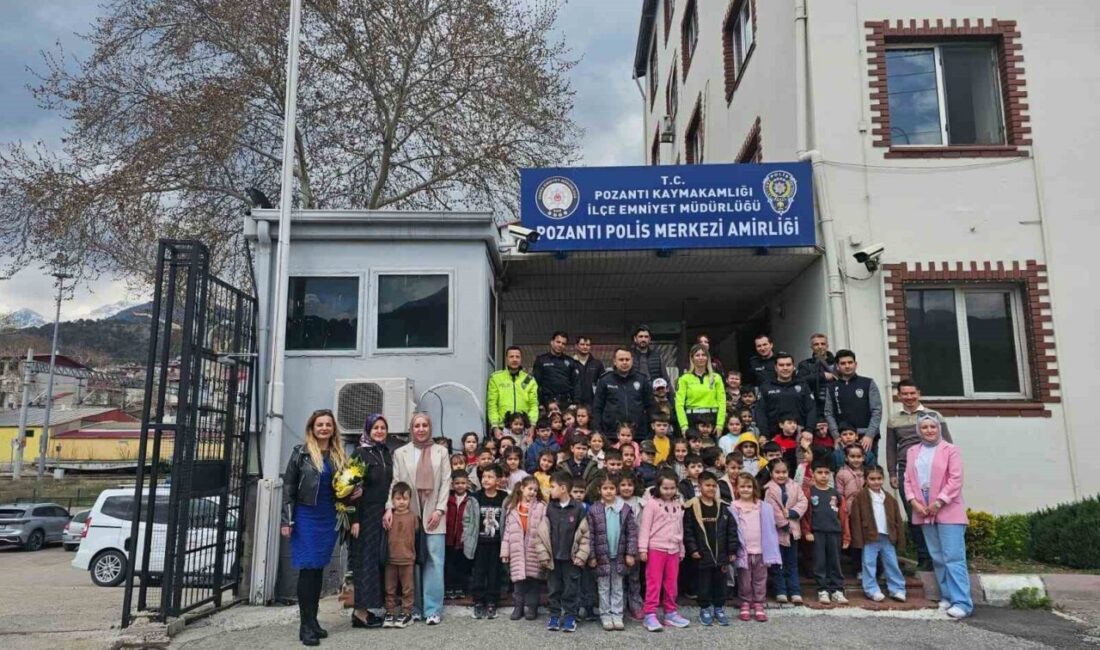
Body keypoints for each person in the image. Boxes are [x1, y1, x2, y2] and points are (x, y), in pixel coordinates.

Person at [281, 409, 348, 646]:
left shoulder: (338, 454)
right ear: (312, 427)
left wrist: (353, 492)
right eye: (320, 424)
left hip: (328, 517)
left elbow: (343, 487)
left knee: (318, 569)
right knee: (308, 570)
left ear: (333, 429)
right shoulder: (301, 453)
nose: (324, 428)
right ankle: (305, 626)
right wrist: (287, 520)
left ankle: (314, 620)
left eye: (328, 424)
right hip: (306, 516)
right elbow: (288, 486)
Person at [384, 413, 451, 625]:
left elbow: (446, 482)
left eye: (424, 425)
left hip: (434, 513)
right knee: (410, 560)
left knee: (434, 559)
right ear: (411, 429)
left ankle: (432, 609)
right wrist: (389, 508)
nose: (421, 429)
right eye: (416, 426)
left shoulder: (441, 451)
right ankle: (413, 607)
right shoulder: (401, 453)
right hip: (408, 514)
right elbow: (396, 483)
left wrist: (439, 510)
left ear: (430, 428)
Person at [905, 415, 972, 618]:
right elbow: (907, 479)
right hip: (923, 508)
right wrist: (914, 502)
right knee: (938, 557)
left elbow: (955, 479)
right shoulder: (912, 451)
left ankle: (963, 602)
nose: (929, 430)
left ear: (939, 428)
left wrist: (939, 501)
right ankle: (947, 596)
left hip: (947, 507)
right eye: (924, 427)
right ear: (918, 430)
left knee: (953, 557)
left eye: (932, 426)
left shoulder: (950, 450)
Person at [886, 379, 953, 570]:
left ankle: (942, 555)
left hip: (932, 471)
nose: (909, 397)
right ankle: (924, 557)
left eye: (912, 393)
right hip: (905, 471)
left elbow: (948, 444)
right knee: (915, 515)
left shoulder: (934, 416)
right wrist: (892, 472)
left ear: (919, 394)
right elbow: (891, 449)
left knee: (936, 511)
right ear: (899, 396)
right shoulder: (894, 419)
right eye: (904, 394)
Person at [348, 413, 393, 630]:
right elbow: (351, 490)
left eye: (383, 428)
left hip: (381, 514)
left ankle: (368, 609)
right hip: (364, 515)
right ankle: (360, 613)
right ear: (368, 430)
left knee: (376, 561)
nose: (379, 431)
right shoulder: (359, 454)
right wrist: (354, 519)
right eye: (375, 428)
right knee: (363, 562)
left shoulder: (386, 453)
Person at [682, 471, 739, 627]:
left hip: (721, 554)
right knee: (704, 583)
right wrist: (692, 549)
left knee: (720, 583)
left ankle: (719, 608)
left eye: (714, 486)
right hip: (702, 554)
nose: (711, 488)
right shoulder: (692, 507)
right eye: (707, 485)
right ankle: (705, 608)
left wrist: (732, 550)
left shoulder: (723, 507)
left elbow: (731, 530)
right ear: (699, 486)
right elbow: (688, 531)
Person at [539, 472, 591, 633]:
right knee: (554, 588)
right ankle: (554, 615)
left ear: (563, 488)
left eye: (552, 487)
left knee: (571, 588)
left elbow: (585, 535)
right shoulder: (550, 508)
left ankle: (570, 616)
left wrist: (582, 556)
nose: (550, 491)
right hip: (553, 558)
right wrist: (543, 554)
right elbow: (541, 532)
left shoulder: (578, 509)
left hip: (571, 559)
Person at [586, 474, 639, 631]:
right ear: (599, 490)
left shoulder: (624, 509)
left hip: (620, 556)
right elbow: (590, 534)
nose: (608, 492)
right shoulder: (594, 510)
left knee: (617, 586)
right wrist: (592, 556)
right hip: (602, 556)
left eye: (612, 488)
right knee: (603, 587)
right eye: (605, 488)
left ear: (616, 490)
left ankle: (617, 614)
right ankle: (605, 614)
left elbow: (632, 533)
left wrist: (630, 553)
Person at [638, 471, 690, 632]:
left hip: (673, 549)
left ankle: (670, 612)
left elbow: (679, 527)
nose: (669, 491)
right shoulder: (652, 504)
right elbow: (645, 528)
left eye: (672, 488)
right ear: (658, 487)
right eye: (665, 488)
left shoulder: (678, 504)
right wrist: (642, 548)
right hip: (656, 548)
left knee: (671, 583)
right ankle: (650, 614)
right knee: (654, 582)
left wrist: (681, 548)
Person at [849, 465, 907, 603]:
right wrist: (858, 539)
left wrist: (899, 537)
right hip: (870, 537)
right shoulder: (860, 497)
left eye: (879, 478)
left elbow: (897, 519)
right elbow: (856, 520)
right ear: (866, 479)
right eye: (872, 479)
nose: (876, 482)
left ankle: (897, 589)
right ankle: (871, 590)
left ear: (883, 479)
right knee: (869, 564)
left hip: (887, 537)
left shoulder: (889, 498)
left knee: (892, 563)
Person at [730, 472, 782, 622]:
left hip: (760, 549)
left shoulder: (762, 506)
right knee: (745, 579)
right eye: (742, 486)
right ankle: (745, 602)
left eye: (749, 486)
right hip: (744, 551)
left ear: (754, 488)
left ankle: (759, 602)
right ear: (737, 489)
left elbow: (770, 528)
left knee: (760, 578)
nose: (746, 489)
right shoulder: (734, 506)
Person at [802, 457, 850, 605]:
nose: (823, 475)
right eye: (819, 472)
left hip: (834, 533)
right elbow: (805, 514)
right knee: (820, 562)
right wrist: (807, 532)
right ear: (812, 473)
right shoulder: (809, 493)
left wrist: (846, 537)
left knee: (835, 562)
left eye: (826, 473)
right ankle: (822, 589)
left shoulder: (835, 494)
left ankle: (837, 590)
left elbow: (843, 516)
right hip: (818, 533)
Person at [501, 476, 547, 621]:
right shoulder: (513, 507)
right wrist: (505, 551)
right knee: (518, 582)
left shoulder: (541, 507)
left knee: (533, 581)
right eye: (529, 489)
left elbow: (545, 530)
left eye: (535, 490)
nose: (532, 492)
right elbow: (508, 532)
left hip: (534, 550)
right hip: (517, 550)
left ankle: (532, 607)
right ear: (522, 488)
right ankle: (518, 607)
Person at [763, 458, 808, 604]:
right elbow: (771, 509)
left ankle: (795, 591)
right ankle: (780, 591)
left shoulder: (795, 486)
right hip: (777, 533)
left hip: (793, 531)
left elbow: (803, 501)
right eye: (777, 472)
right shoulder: (769, 489)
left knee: (792, 563)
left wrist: (793, 513)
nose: (781, 475)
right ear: (771, 473)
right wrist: (783, 523)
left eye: (784, 472)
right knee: (777, 563)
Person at [824, 349, 883, 460]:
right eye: (843, 363)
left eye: (850, 362)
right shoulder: (831, 387)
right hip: (843, 439)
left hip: (866, 437)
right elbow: (828, 413)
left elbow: (877, 411)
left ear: (855, 364)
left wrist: (869, 435)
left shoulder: (868, 383)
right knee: (843, 471)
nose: (847, 366)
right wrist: (836, 436)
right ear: (837, 366)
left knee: (869, 472)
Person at [470, 465, 507, 619]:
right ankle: (478, 601)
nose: (486, 480)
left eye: (490, 477)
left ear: (498, 480)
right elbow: (468, 519)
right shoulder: (475, 497)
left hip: (497, 542)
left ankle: (492, 601)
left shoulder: (504, 498)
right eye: (484, 476)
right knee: (478, 572)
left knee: (495, 572)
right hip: (479, 542)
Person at [593, 347, 655, 435]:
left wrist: (651, 431)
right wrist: (598, 430)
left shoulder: (642, 380)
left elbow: (651, 406)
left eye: (627, 359)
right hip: (611, 434)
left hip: (638, 433)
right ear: (614, 361)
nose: (624, 362)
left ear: (632, 360)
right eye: (621, 359)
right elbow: (597, 407)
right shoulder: (605, 380)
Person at [754, 353, 816, 437]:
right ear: (776, 368)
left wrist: (809, 430)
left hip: (800, 435)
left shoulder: (803, 385)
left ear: (793, 367)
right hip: (774, 437)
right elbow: (760, 412)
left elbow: (811, 409)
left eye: (788, 365)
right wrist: (764, 434)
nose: (785, 368)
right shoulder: (766, 387)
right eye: (781, 365)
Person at [383, 483, 418, 629]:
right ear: (392, 500)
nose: (401, 502)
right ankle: (390, 612)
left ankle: (407, 612)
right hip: (390, 559)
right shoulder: (388, 517)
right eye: (398, 499)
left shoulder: (414, 517)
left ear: (410, 500)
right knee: (390, 588)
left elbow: (417, 534)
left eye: (405, 499)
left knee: (407, 588)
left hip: (408, 559)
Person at [675, 344, 726, 433]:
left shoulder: (716, 377)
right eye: (697, 355)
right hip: (692, 419)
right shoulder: (684, 379)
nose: (701, 358)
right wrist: (684, 426)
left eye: (703, 355)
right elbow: (679, 404)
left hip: (712, 418)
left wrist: (720, 424)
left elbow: (722, 402)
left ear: (707, 358)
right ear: (692, 358)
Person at [487, 346, 539, 430]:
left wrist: (532, 426)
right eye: (511, 357)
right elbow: (492, 404)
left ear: (521, 359)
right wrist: (495, 427)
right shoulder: (496, 378)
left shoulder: (528, 379)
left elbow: (533, 404)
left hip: (524, 427)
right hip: (502, 427)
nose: (514, 359)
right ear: (506, 359)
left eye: (517, 357)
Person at [444, 473, 477, 601]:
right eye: (457, 483)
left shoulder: (471, 499)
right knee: (449, 564)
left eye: (463, 483)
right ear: (452, 484)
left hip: (463, 539)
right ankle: (449, 587)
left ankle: (460, 587)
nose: (460, 486)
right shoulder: (448, 498)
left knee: (462, 565)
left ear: (467, 484)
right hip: (449, 538)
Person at [797, 333, 837, 419]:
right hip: (815, 407)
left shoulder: (837, 363)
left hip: (836, 405)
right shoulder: (805, 364)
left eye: (823, 344)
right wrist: (822, 376)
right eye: (816, 344)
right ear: (811, 347)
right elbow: (799, 381)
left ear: (827, 346)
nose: (820, 346)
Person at [534, 331, 576, 409]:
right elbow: (536, 383)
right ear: (552, 342)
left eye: (563, 344)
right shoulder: (541, 360)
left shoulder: (570, 361)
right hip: (547, 403)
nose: (560, 345)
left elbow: (576, 383)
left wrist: (575, 402)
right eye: (558, 342)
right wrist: (540, 403)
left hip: (566, 403)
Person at [631, 325, 671, 390]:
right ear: (635, 339)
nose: (643, 339)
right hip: (634, 394)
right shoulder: (629, 357)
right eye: (640, 337)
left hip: (653, 394)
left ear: (649, 339)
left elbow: (666, 379)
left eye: (646, 337)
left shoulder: (657, 357)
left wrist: (672, 399)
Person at [572, 335, 605, 407]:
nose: (585, 347)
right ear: (576, 346)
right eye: (582, 344)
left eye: (588, 345)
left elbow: (602, 383)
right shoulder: (570, 363)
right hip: (575, 403)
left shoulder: (597, 364)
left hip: (593, 403)